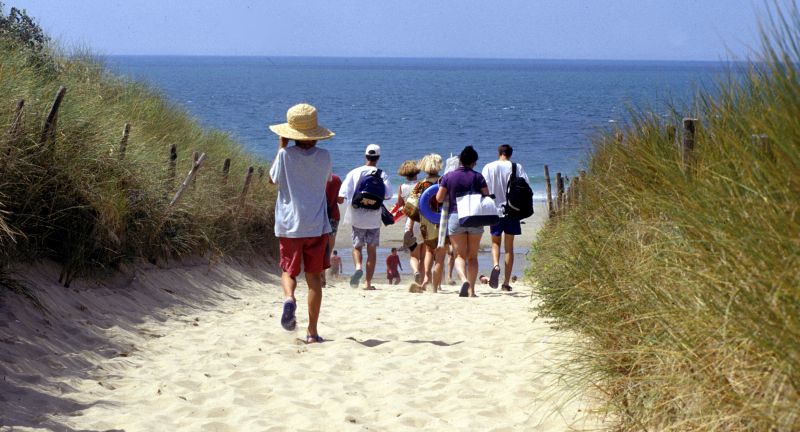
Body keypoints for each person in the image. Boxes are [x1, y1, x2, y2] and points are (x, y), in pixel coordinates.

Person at [268, 103, 334, 344]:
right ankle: (312, 332)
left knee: (288, 270)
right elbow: (327, 180)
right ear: (316, 134)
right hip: (317, 225)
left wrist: (281, 147)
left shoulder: (285, 155)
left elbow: (272, 179)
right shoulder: (325, 156)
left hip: (289, 225)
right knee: (314, 278)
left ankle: (289, 299)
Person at [436, 145, 490, 298]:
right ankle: (472, 291)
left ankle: (464, 280)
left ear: (460, 160)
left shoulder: (449, 177)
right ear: (474, 162)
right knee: (473, 256)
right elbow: (487, 196)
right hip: (474, 218)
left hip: (455, 216)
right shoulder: (478, 177)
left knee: (459, 255)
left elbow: (439, 198)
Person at [338, 144, 393, 290]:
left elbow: (341, 196)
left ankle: (357, 268)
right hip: (374, 218)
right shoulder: (382, 174)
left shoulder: (354, 173)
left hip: (357, 217)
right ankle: (367, 283)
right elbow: (388, 196)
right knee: (372, 251)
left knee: (357, 247)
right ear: (378, 158)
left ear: (365, 156)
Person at [481, 144, 529, 292]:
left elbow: (484, 189)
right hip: (512, 211)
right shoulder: (517, 167)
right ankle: (506, 283)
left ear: (499, 153)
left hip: (495, 210)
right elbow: (526, 187)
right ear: (510, 154)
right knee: (509, 248)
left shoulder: (489, 167)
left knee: (495, 243)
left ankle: (496, 265)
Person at [411, 154, 447, 293]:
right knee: (441, 253)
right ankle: (436, 285)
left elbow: (411, 206)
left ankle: (426, 278)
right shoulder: (444, 181)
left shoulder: (421, 185)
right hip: (443, 220)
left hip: (427, 221)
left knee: (429, 250)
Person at [395, 160, 423, 283]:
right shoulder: (423, 184)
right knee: (424, 254)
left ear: (404, 174)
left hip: (410, 223)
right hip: (423, 221)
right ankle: (422, 280)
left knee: (414, 255)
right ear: (417, 172)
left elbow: (400, 206)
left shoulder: (402, 187)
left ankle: (416, 272)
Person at [321, 173, 342, 287]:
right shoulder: (336, 179)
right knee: (328, 248)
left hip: (317, 215)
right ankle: (323, 274)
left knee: (318, 245)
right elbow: (340, 200)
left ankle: (319, 274)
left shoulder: (316, 176)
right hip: (333, 215)